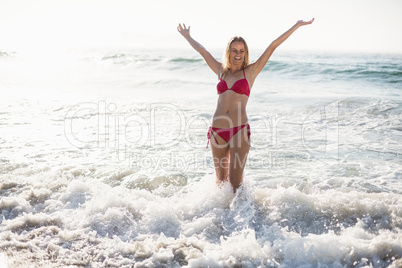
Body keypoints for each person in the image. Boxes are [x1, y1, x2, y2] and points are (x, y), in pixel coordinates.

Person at [177, 19, 314, 191]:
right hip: (217, 131)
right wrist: (188, 36)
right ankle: (222, 216)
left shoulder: (250, 71)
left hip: (238, 130)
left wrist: (296, 26)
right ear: (229, 52)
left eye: (241, 50)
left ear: (245, 53)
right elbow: (203, 51)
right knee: (220, 183)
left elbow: (272, 46)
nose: (238, 53)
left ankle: (244, 216)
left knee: (236, 184)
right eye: (234, 50)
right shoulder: (221, 71)